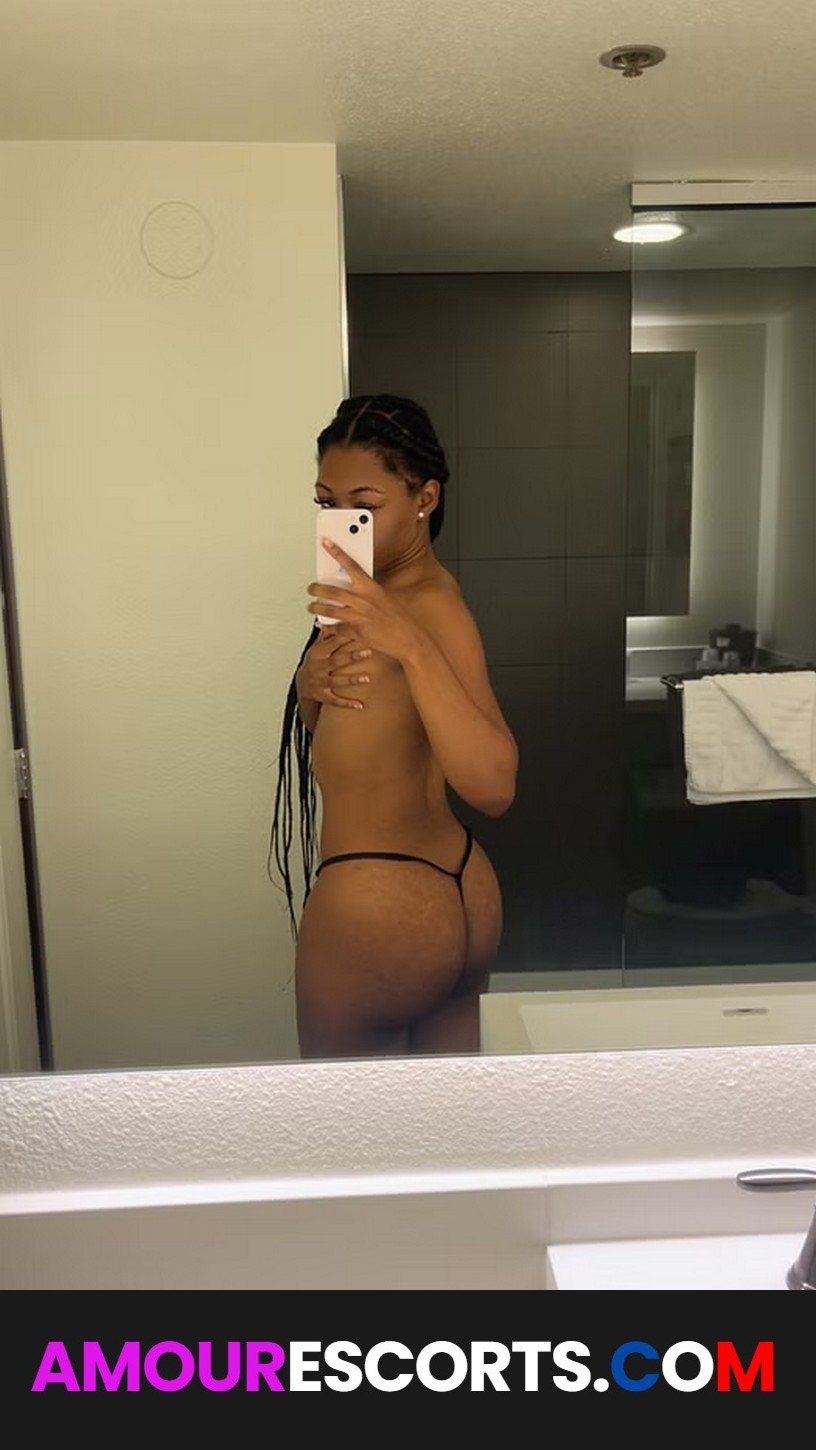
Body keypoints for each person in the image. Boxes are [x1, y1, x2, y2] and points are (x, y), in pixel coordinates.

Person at [269, 394, 517, 1059]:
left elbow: (494, 784)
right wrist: (310, 687)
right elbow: (361, 746)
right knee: (449, 1122)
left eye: (364, 504)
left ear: (425, 498)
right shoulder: (373, 600)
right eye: (326, 503)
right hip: (452, 894)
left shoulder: (426, 608)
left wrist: (407, 642)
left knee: (343, 1125)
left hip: (378, 908)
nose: (340, 522)